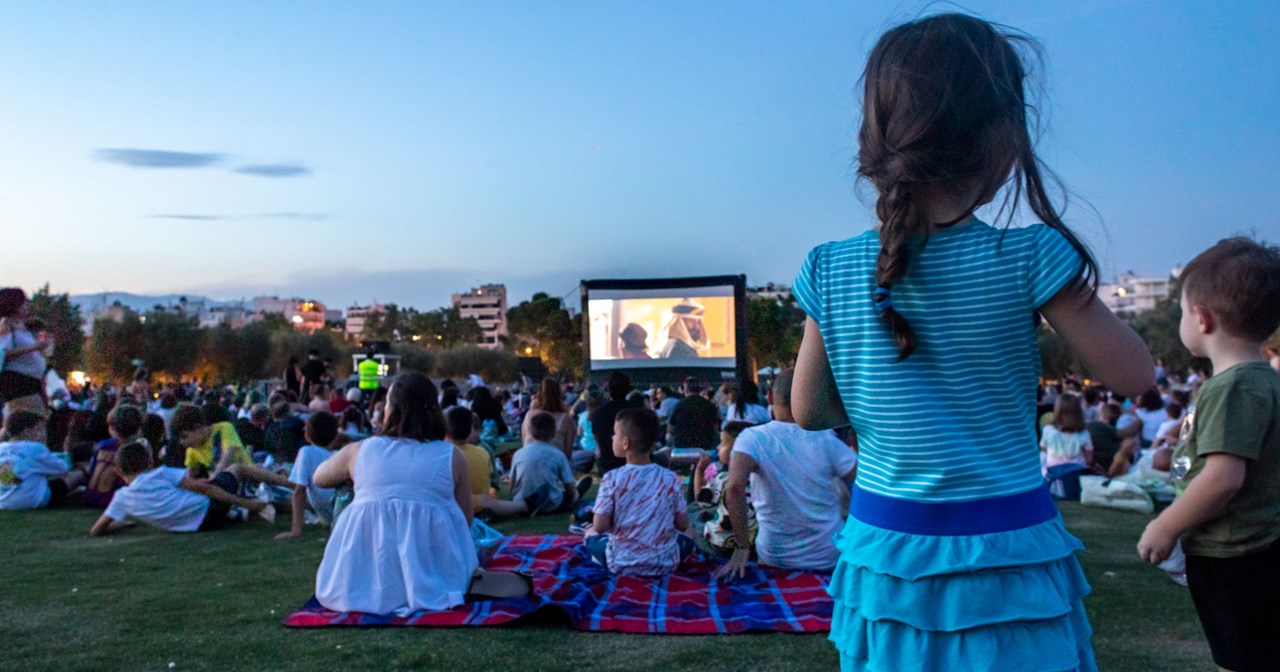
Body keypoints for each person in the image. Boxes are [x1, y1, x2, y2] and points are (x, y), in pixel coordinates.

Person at [789, 14, 1154, 670]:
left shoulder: (828, 268)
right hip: (1005, 552)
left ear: (875, 141)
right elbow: (1133, 375)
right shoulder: (1030, 257)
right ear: (1004, 138)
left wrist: (888, 397)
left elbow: (810, 411)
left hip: (887, 553)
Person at [1137, 238, 1280, 672]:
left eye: (1181, 312)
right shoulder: (1265, 381)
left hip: (1233, 552)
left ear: (1202, 318)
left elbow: (1223, 479)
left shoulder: (1231, 387)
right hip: (1258, 546)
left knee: (1238, 661)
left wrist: (1166, 526)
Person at [311, 373, 480, 615]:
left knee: (348, 487)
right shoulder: (451, 456)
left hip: (358, 583)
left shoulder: (361, 451)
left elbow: (318, 478)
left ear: (390, 409)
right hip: (439, 575)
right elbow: (466, 520)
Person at [715, 369, 856, 576]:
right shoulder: (827, 440)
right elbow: (864, 484)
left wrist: (742, 547)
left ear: (770, 397)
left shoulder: (752, 438)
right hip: (828, 556)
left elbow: (734, 488)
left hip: (775, 556)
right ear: (813, 400)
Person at [88, 440, 274, 536]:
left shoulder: (121, 498)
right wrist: (246, 503)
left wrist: (122, 523)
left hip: (198, 526)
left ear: (119, 472)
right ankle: (285, 484)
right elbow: (204, 489)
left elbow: (96, 530)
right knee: (237, 469)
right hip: (211, 509)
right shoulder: (159, 473)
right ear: (150, 461)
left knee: (185, 491)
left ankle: (236, 512)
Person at [585, 408, 690, 575]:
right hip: (665, 563)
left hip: (621, 563)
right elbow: (682, 525)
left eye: (615, 434)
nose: (612, 438)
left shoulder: (612, 478)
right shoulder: (670, 477)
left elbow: (600, 526)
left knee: (590, 534)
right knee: (687, 540)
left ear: (625, 443)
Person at [0, 411, 85, 510]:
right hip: (34, 500)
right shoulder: (35, 448)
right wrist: (66, 452)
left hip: (4, 502)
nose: (44, 434)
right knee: (78, 475)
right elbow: (64, 468)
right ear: (28, 431)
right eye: (41, 430)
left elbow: (7, 476)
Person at [276, 411, 341, 541]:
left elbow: (299, 492)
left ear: (307, 435)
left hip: (335, 512)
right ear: (335, 435)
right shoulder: (339, 455)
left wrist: (295, 530)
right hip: (343, 511)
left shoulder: (306, 452)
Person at [0, 288, 53, 440]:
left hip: (31, 383)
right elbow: (4, 352)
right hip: (19, 384)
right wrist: (35, 347)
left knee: (34, 421)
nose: (27, 305)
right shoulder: (6, 324)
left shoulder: (21, 326)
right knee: (30, 425)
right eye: (24, 302)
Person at [506, 412, 584, 516]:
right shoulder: (558, 455)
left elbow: (512, 484)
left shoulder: (519, 453)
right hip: (550, 504)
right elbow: (568, 485)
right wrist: (574, 495)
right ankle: (580, 490)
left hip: (521, 501)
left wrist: (513, 497)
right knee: (569, 496)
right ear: (554, 432)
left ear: (530, 431)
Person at [83, 404, 144, 508]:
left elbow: (92, 470)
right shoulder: (135, 449)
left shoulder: (103, 445)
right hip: (113, 498)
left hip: (91, 495)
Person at [590, 372, 644, 474]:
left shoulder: (598, 413)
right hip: (634, 463)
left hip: (608, 464)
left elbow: (597, 438)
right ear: (628, 389)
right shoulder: (637, 411)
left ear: (609, 390)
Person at [444, 406, 493, 514]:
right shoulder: (482, 452)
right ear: (470, 429)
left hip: (459, 509)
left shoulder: (443, 455)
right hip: (482, 506)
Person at [520, 378, 576, 458]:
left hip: (528, 461)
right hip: (555, 465)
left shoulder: (529, 415)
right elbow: (568, 455)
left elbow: (524, 444)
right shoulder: (566, 419)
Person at [1039, 394, 1093, 477]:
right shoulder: (1084, 433)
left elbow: (1044, 450)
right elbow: (1089, 460)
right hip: (1077, 474)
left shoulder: (1048, 430)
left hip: (1053, 474)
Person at [667, 377, 720, 451]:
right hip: (705, 447)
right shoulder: (710, 405)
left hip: (682, 447)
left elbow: (670, 429)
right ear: (699, 390)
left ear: (685, 389)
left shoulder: (679, 405)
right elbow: (716, 427)